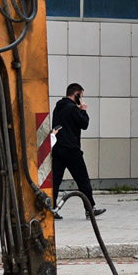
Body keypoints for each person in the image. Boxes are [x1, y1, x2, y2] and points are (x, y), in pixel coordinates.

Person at [50, 82, 104, 218]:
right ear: (77, 94)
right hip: (71, 150)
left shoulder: (58, 107)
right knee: (83, 180)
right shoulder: (73, 109)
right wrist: (83, 110)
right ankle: (90, 209)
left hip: (58, 149)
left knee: (55, 180)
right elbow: (84, 124)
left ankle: (51, 208)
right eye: (81, 95)